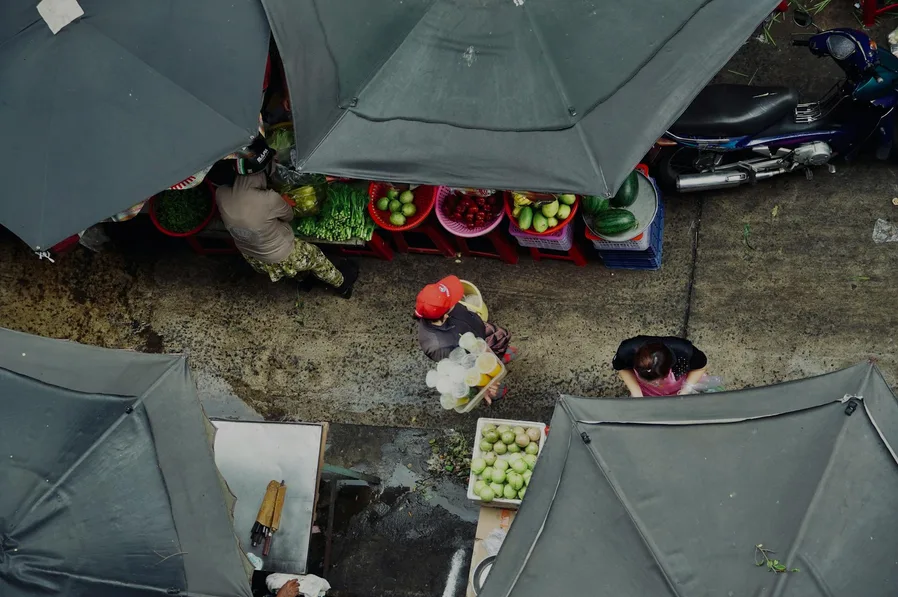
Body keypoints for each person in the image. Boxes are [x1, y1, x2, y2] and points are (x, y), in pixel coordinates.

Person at [208, 149, 358, 299]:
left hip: (252, 258)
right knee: (315, 256)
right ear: (263, 173)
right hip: (280, 255)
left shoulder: (221, 193)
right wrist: (283, 200)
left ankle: (304, 280)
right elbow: (289, 215)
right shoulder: (269, 198)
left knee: (293, 264)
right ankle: (342, 285)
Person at [416, 275, 515, 404]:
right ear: (445, 315)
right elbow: (460, 370)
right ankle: (496, 390)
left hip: (480, 334)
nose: (455, 300)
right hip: (473, 358)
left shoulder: (442, 310)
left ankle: (501, 355)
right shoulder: (438, 346)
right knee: (494, 386)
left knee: (501, 340)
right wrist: (481, 384)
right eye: (451, 301)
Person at [612, 335, 708, 397]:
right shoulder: (626, 351)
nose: (656, 383)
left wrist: (685, 391)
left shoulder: (684, 351)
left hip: (678, 384)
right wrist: (637, 394)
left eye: (657, 380)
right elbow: (622, 369)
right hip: (647, 390)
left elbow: (700, 368)